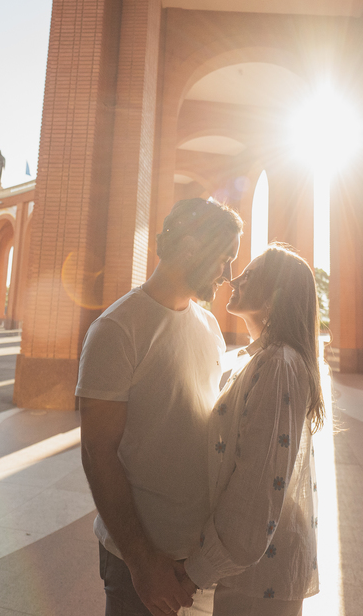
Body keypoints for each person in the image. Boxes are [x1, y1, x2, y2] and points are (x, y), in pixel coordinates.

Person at [77, 198, 243, 616]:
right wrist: (141, 562)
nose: (228, 275)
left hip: (197, 561)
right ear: (189, 248)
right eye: (223, 259)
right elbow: (98, 453)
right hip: (140, 559)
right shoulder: (117, 330)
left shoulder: (208, 328)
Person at [180, 244, 322, 615]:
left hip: (260, 569)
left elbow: (256, 486)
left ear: (275, 298)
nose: (233, 278)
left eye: (251, 274)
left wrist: (194, 574)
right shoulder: (264, 357)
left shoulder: (278, 364)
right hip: (254, 562)